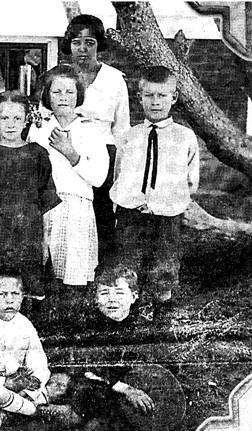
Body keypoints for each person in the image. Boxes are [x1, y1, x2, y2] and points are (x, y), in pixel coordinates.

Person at [33, 265, 186, 431]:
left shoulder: (142, 327)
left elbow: (161, 362)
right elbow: (92, 369)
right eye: (104, 293)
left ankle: (93, 418)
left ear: (133, 296)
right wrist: (127, 390)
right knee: (87, 390)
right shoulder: (90, 327)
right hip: (103, 382)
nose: (112, 300)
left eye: (119, 293)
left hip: (133, 383)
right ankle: (70, 413)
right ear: (95, 299)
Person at [110, 65, 199, 321]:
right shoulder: (129, 137)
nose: (155, 102)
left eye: (162, 96)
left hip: (167, 215)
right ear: (140, 97)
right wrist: (130, 201)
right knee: (128, 266)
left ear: (174, 97)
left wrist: (167, 202)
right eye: (149, 95)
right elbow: (120, 175)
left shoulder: (185, 137)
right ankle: (130, 319)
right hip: (131, 215)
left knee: (164, 267)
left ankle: (162, 320)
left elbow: (191, 180)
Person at [0, 91, 59, 308]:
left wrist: (45, 241)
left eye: (17, 118)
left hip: (29, 238)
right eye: (4, 118)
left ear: (26, 120)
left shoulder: (37, 154)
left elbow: (46, 201)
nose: (11, 124)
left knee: (29, 293)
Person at [27, 65, 108, 290]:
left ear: (78, 95)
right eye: (57, 92)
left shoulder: (90, 130)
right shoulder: (39, 128)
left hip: (76, 207)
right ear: (47, 96)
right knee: (43, 269)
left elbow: (99, 177)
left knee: (73, 273)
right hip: (44, 207)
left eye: (69, 92)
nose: (63, 98)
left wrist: (71, 154)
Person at [62, 14, 131, 263]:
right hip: (66, 151)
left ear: (98, 45)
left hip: (104, 153)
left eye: (89, 42)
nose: (83, 49)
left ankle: (102, 273)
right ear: (68, 45)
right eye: (77, 42)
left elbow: (122, 128)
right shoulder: (59, 77)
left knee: (101, 214)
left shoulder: (114, 79)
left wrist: (120, 169)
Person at [0, 271, 50, 426]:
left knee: (57, 383)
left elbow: (38, 360)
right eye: (2, 294)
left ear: (22, 297)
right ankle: (33, 411)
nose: (10, 300)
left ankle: (7, 413)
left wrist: (34, 380)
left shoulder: (25, 324)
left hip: (20, 384)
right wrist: (4, 382)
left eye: (15, 294)